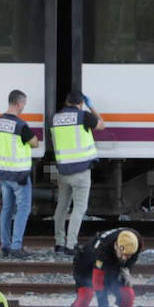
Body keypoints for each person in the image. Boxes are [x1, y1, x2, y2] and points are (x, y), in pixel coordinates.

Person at [58, 227, 142, 307]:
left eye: (128, 256)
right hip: (85, 266)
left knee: (127, 296)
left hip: (111, 266)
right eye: (123, 254)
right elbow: (98, 284)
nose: (124, 258)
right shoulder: (103, 249)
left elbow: (128, 261)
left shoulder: (136, 241)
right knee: (84, 298)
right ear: (116, 246)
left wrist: (126, 270)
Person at [49, 90, 105, 255]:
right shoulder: (83, 116)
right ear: (80, 104)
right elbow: (102, 124)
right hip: (81, 171)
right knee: (79, 208)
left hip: (62, 170)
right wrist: (91, 107)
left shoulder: (55, 118)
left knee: (62, 206)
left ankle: (59, 243)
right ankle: (70, 245)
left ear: (66, 102)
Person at [0, 88, 39, 257]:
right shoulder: (20, 125)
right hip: (19, 175)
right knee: (23, 209)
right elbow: (34, 143)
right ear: (19, 103)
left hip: (3, 172)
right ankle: (16, 246)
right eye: (24, 104)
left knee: (6, 208)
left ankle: (5, 245)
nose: (24, 107)